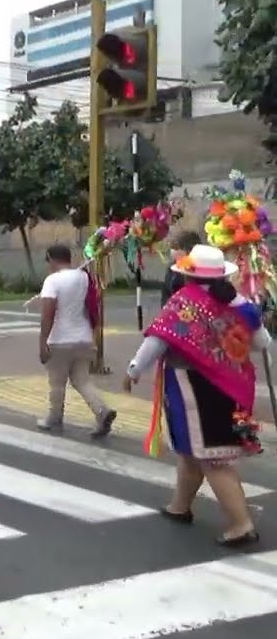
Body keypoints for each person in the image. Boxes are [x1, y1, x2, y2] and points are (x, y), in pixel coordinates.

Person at [124, 244, 265, 547]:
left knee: (213, 459)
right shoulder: (241, 304)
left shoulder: (184, 301)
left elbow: (159, 339)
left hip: (196, 387)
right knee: (190, 451)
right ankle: (180, 506)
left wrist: (134, 369)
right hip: (230, 386)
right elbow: (261, 342)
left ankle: (241, 525)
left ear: (187, 275)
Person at [36, 245, 117, 436]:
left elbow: (48, 314)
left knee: (57, 383)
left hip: (60, 339)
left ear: (51, 259)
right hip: (84, 337)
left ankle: (54, 418)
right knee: (82, 380)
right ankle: (102, 410)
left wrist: (42, 342)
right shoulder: (83, 277)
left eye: (48, 261)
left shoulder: (52, 280)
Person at [162, 231, 202, 307]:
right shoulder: (171, 267)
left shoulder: (198, 267)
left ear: (188, 250)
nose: (172, 251)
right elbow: (166, 293)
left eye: (176, 248)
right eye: (172, 248)